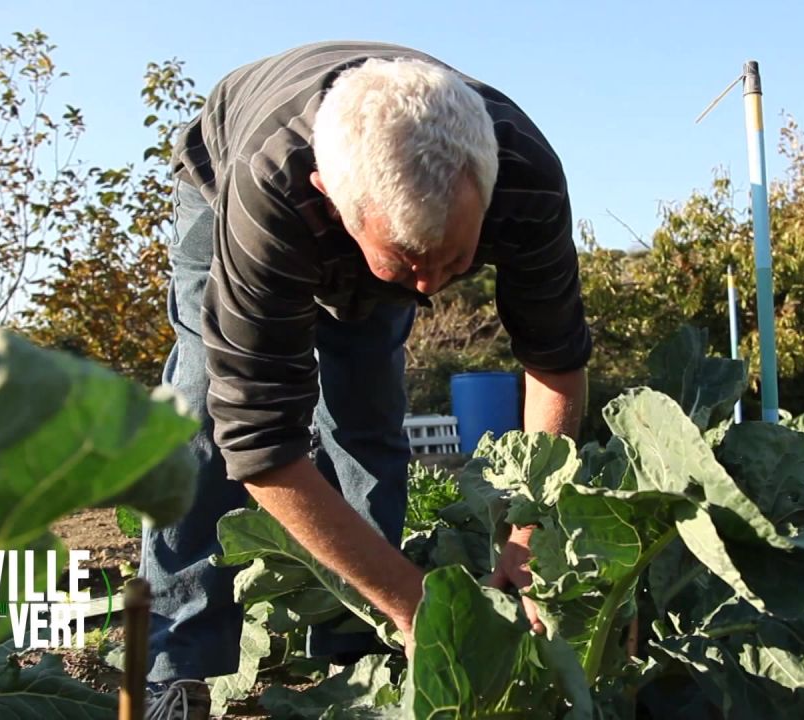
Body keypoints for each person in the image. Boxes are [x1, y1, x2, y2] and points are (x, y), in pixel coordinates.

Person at [141, 41, 591, 719]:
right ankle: (179, 659)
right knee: (203, 407)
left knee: (367, 413)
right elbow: (259, 442)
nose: (431, 286)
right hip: (225, 165)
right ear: (332, 200)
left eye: (456, 258)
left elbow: (555, 360)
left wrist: (528, 530)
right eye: (409, 262)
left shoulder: (525, 174)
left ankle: (355, 638)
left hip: (375, 209)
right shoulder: (275, 190)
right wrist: (420, 607)